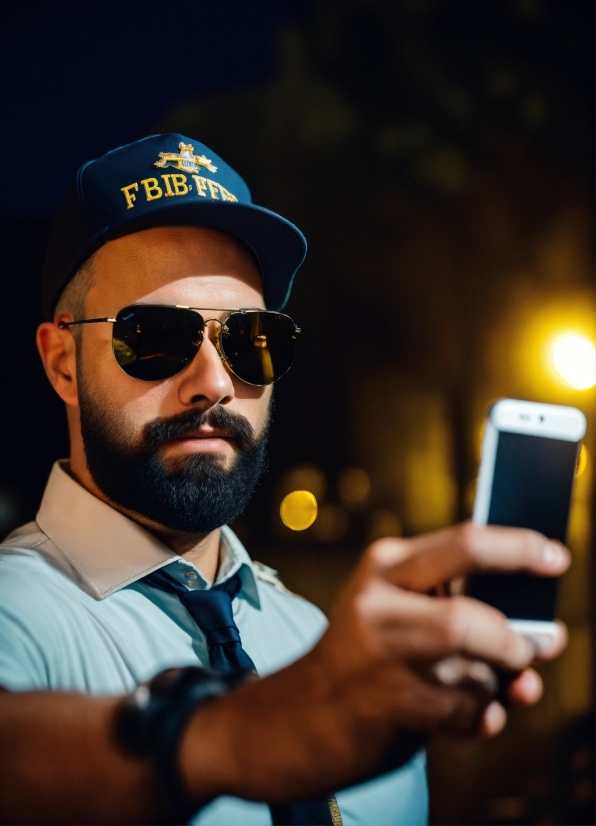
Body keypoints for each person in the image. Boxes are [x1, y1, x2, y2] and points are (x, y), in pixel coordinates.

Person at [0, 134, 569, 826]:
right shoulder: (15, 614)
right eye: (152, 335)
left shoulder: (321, 645)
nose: (213, 383)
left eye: (250, 340)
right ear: (62, 362)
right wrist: (235, 734)